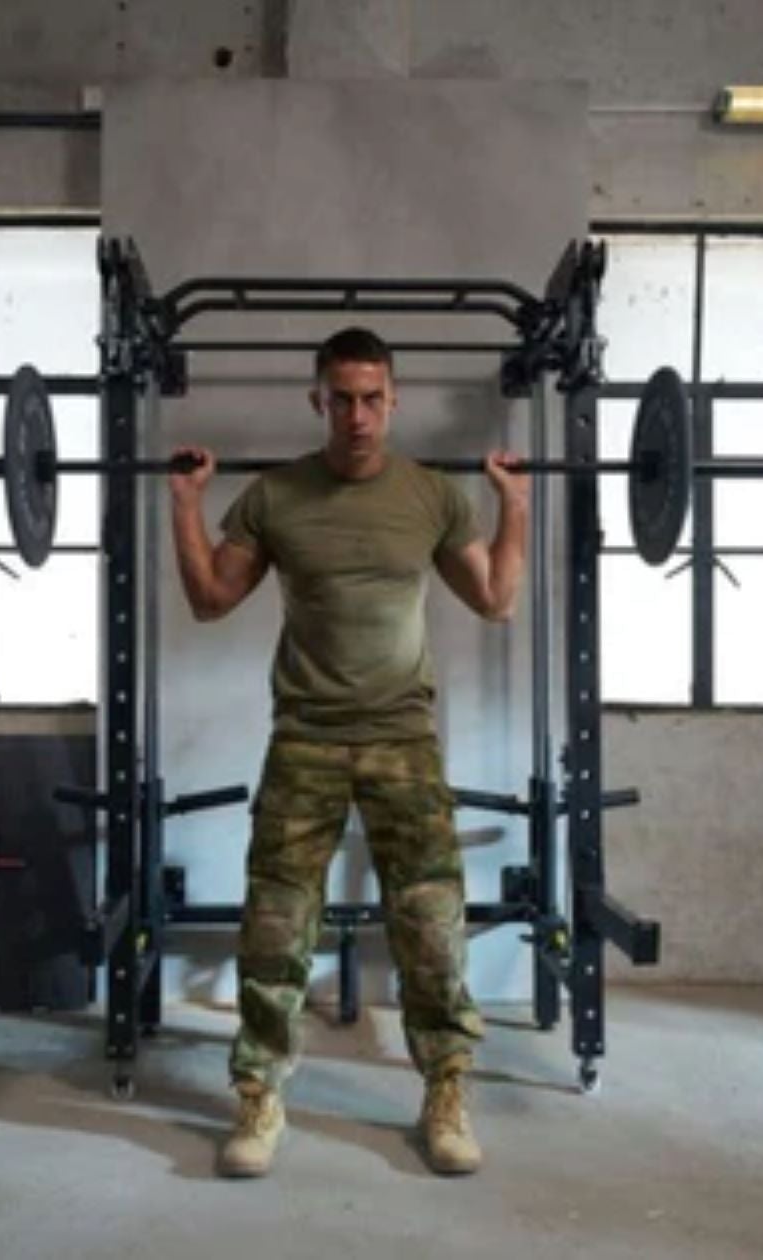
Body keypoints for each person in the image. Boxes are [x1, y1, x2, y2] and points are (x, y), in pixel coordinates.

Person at [168, 326, 528, 1179]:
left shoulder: (434, 496)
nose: (359, 416)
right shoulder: (275, 497)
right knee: (275, 926)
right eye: (343, 399)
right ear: (317, 401)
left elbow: (496, 600)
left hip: (404, 739)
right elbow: (213, 598)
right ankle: (259, 1097)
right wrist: (185, 504)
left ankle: (445, 1089)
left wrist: (514, 504)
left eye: (373, 399)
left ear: (393, 401)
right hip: (307, 739)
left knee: (432, 927)